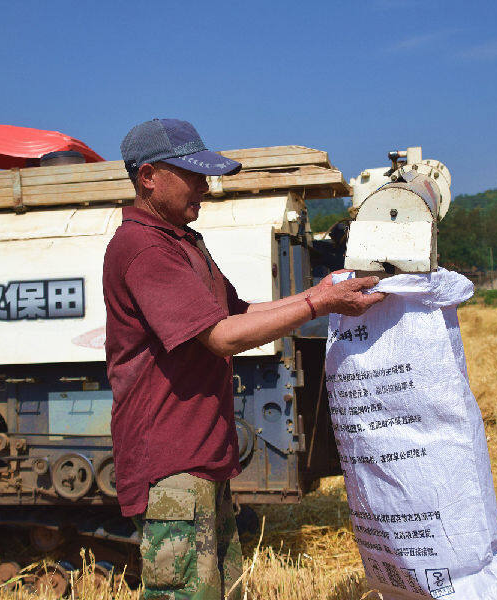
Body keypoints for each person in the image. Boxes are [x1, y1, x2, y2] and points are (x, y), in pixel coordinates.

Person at [103, 118, 384, 600]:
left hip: (201, 456)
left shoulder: (181, 241)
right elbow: (222, 337)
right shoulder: (143, 248)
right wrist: (320, 305)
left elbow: (238, 312)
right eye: (191, 175)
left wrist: (317, 292)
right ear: (148, 176)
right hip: (171, 463)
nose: (205, 187)